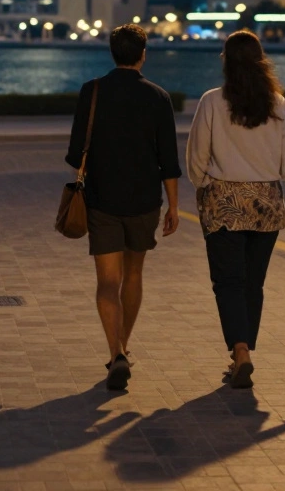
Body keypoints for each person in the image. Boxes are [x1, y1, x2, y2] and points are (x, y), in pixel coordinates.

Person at [186, 30, 285, 389]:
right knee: (252, 283)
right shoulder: (277, 104)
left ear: (226, 61)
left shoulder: (212, 101)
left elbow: (196, 156)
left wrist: (204, 183)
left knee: (228, 282)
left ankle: (239, 351)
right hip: (266, 206)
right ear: (261, 61)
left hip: (224, 204)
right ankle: (246, 353)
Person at [66, 23, 181, 391]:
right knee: (133, 276)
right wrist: (174, 206)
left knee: (107, 282)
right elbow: (169, 161)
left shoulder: (92, 91)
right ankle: (124, 349)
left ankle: (115, 352)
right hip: (145, 200)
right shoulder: (159, 97)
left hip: (102, 200)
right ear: (143, 54)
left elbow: (74, 154)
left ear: (112, 53)